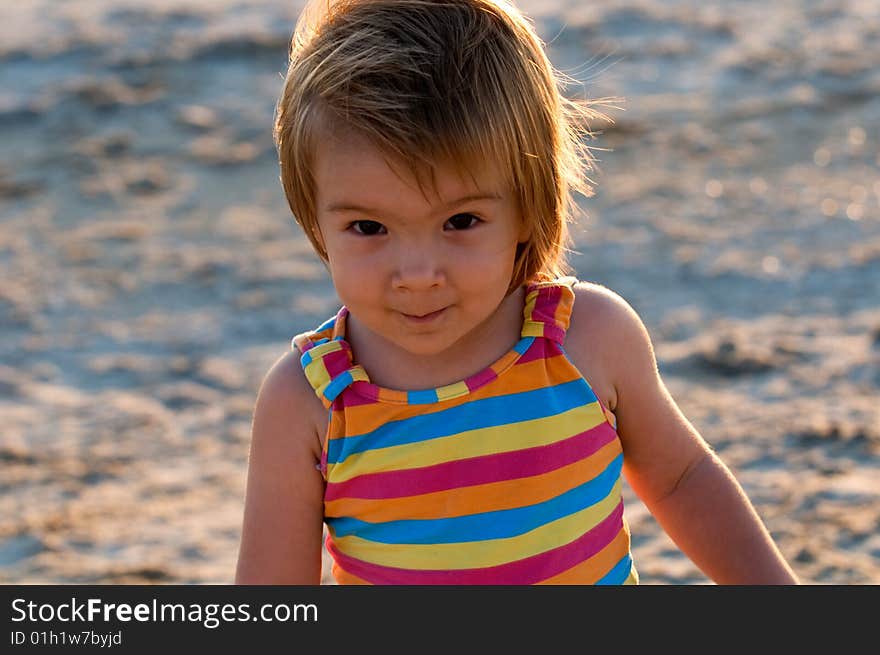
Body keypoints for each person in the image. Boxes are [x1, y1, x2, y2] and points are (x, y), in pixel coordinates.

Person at [234, 0, 799, 585]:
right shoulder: (310, 403)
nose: (419, 272)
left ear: (529, 207)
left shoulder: (587, 340)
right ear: (315, 220)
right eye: (369, 228)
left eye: (460, 222)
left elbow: (683, 479)